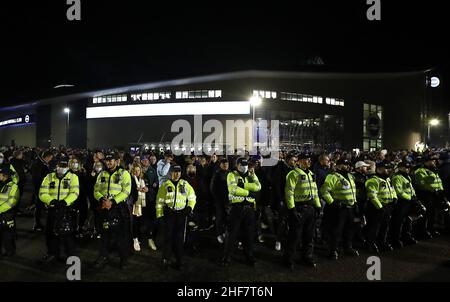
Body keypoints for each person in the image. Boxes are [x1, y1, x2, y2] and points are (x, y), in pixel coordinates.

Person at [93, 152, 132, 269]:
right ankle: (103, 256)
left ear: (117, 161)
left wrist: (113, 201)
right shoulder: (102, 174)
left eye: (111, 160)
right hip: (104, 208)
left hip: (118, 209)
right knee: (104, 234)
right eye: (107, 160)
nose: (109, 162)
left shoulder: (124, 173)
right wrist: (101, 199)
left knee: (120, 235)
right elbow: (96, 189)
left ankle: (123, 259)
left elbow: (126, 191)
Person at [283, 153, 321, 270]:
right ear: (298, 162)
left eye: (309, 160)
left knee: (309, 236)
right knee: (294, 235)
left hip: (310, 208)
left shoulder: (310, 174)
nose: (308, 162)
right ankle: (288, 258)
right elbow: (289, 192)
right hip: (299, 208)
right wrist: (292, 209)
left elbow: (314, 192)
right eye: (305, 160)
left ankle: (307, 256)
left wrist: (318, 206)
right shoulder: (293, 174)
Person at [222, 157, 261, 267]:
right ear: (237, 165)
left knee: (249, 235)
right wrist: (249, 193)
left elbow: (258, 186)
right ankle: (227, 256)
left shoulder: (251, 175)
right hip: (236, 208)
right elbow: (233, 190)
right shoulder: (232, 175)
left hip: (249, 209)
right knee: (232, 234)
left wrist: (244, 185)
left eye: (246, 165)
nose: (244, 167)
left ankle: (249, 255)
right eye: (242, 165)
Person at [39, 157, 79, 263]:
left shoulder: (73, 177)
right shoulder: (49, 177)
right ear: (57, 166)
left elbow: (75, 192)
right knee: (50, 233)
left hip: (66, 210)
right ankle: (52, 253)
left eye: (65, 166)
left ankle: (69, 255)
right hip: (52, 209)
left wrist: (64, 202)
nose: (62, 168)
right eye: (61, 166)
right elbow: (42, 193)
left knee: (68, 234)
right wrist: (52, 201)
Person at [156, 165, 196, 270]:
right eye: (175, 171)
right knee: (167, 238)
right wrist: (159, 216)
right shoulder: (165, 185)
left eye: (179, 171)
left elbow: (192, 197)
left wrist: (189, 208)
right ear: (171, 173)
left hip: (181, 215)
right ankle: (166, 260)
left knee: (179, 239)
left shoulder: (185, 184)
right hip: (169, 214)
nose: (177, 174)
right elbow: (159, 202)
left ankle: (179, 261)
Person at [365, 161, 397, 253]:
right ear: (379, 169)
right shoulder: (373, 180)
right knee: (374, 227)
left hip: (387, 207)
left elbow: (392, 190)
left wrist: (394, 198)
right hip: (376, 208)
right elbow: (372, 195)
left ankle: (382, 242)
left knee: (385, 226)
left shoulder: (387, 179)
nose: (388, 170)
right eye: (386, 168)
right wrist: (380, 207)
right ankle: (371, 244)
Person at [390, 161, 421, 247]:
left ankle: (406, 237)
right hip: (401, 203)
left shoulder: (407, 177)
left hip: (408, 202)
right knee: (398, 222)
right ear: (400, 168)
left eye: (408, 167)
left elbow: (411, 189)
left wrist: (414, 197)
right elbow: (399, 192)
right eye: (405, 167)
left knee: (408, 220)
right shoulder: (397, 177)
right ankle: (396, 239)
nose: (407, 169)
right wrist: (410, 198)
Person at [414, 155, 446, 238]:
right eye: (432, 160)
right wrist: (433, 190)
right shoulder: (420, 171)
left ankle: (430, 229)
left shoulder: (433, 170)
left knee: (432, 214)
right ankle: (422, 231)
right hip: (426, 195)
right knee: (425, 214)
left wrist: (440, 190)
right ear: (426, 162)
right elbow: (421, 184)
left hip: (435, 195)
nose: (434, 162)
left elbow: (439, 182)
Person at [272, 152, 297, 251]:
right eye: (293, 160)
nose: (295, 162)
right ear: (288, 160)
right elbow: (277, 185)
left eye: (295, 160)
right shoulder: (280, 167)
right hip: (284, 199)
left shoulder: (294, 169)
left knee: (292, 220)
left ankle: (290, 239)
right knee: (282, 221)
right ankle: (278, 240)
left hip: (293, 199)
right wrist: (281, 199)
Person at [31, 150, 53, 232]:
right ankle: (37, 224)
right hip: (39, 188)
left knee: (40, 206)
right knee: (38, 207)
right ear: (47, 157)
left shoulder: (41, 163)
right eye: (50, 158)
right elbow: (36, 178)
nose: (50, 160)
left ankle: (38, 223)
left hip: (41, 188)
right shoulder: (38, 164)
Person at [0, 165, 19, 257]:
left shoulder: (13, 186)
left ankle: (10, 251)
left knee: (8, 235)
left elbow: (12, 202)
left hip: (7, 215)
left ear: (5, 175)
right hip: (2, 214)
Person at [210, 158, 230, 244]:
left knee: (227, 217)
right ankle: (219, 233)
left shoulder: (230, 173)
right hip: (220, 200)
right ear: (220, 165)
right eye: (223, 164)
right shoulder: (217, 174)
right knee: (220, 217)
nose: (225, 165)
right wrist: (217, 199)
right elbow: (212, 188)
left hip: (229, 200)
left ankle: (225, 232)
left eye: (226, 164)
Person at [130, 164, 149, 252]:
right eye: (135, 170)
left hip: (141, 204)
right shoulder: (130, 179)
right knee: (134, 223)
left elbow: (145, 189)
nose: (137, 172)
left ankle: (137, 237)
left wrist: (146, 189)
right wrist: (138, 189)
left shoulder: (142, 179)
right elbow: (130, 190)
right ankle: (135, 239)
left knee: (140, 222)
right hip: (133, 204)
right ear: (132, 171)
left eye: (138, 170)